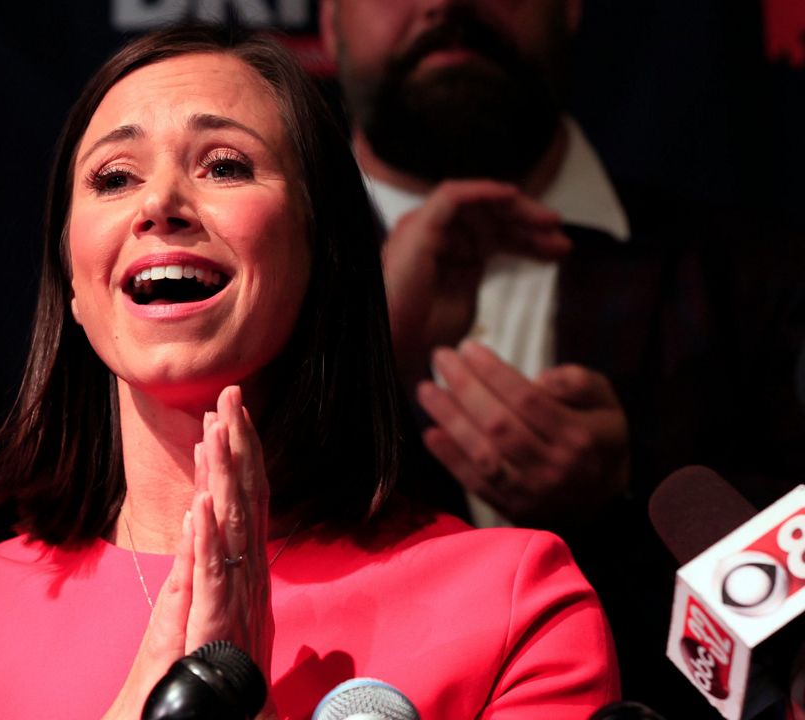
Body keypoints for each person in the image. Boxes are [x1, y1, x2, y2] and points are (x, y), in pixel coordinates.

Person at [0, 25, 618, 719]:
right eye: (114, 178)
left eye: (225, 166)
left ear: (323, 253)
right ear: (72, 283)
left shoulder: (515, 603)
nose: (161, 204)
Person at [319, 0, 805, 714]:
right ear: (329, 21)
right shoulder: (259, 295)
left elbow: (784, 662)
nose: (446, 4)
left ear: (572, 7)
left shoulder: (759, 274)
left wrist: (627, 497)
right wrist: (360, 353)